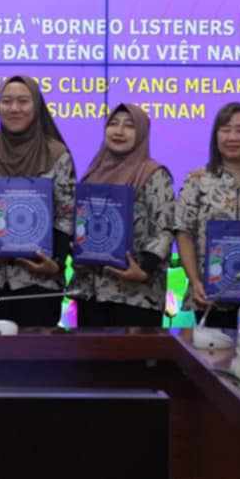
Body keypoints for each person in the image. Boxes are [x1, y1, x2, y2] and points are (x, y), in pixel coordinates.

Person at [0, 76, 75, 327]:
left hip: (39, 279)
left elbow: (66, 213)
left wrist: (56, 263)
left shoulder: (57, 154)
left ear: (36, 106)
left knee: (36, 351)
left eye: (23, 101)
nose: (14, 108)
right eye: (7, 101)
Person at [68, 104, 174, 328]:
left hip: (136, 294)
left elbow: (164, 229)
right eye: (113, 124)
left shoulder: (153, 174)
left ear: (142, 133)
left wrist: (144, 269)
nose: (119, 131)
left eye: (129, 126)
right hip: (91, 292)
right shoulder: (93, 173)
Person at [175, 102, 240, 329]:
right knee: (211, 351)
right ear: (216, 136)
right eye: (225, 130)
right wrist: (194, 280)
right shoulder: (197, 179)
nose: (232, 137)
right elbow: (184, 232)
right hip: (209, 295)